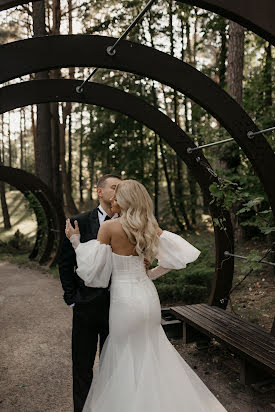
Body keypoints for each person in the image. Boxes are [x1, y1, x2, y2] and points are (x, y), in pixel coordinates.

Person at [65, 179, 227, 412]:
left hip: (124, 301)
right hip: (147, 296)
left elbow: (93, 271)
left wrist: (75, 241)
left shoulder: (109, 228)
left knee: (125, 356)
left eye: (117, 195)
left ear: (126, 200)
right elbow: (177, 256)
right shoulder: (149, 227)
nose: (113, 199)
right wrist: (150, 274)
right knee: (151, 351)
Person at [58, 174, 121, 412]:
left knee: (113, 365)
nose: (117, 191)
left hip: (118, 305)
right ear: (100, 192)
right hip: (85, 305)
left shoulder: (128, 223)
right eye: (113, 187)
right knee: (82, 366)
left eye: (120, 188)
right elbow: (65, 264)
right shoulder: (79, 222)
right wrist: (71, 299)